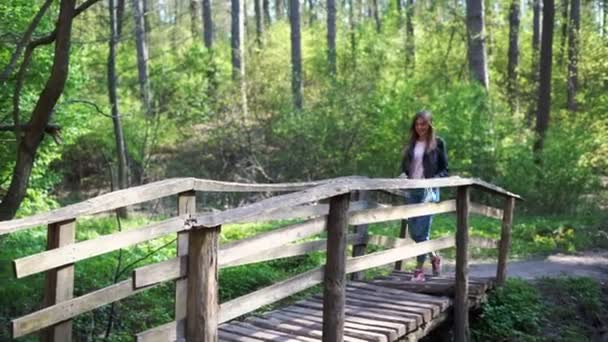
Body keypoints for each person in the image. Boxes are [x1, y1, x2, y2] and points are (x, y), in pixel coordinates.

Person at [400, 110, 448, 281]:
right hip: (412, 191)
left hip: (429, 191)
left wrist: (433, 180)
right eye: (418, 124)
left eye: (424, 124)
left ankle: (419, 270)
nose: (421, 127)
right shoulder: (411, 144)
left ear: (430, 125)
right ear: (414, 125)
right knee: (415, 233)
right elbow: (405, 168)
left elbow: (445, 170)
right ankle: (434, 257)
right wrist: (403, 175)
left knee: (422, 230)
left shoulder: (438, 143)